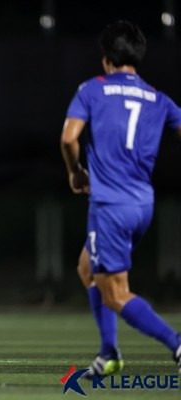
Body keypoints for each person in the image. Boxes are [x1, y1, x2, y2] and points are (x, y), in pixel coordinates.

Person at [60, 20, 181, 377]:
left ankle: (176, 343)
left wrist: (74, 171)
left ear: (106, 59)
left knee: (115, 293)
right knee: (87, 267)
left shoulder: (93, 89)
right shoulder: (158, 97)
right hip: (142, 204)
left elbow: (69, 139)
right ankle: (109, 352)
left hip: (110, 206)